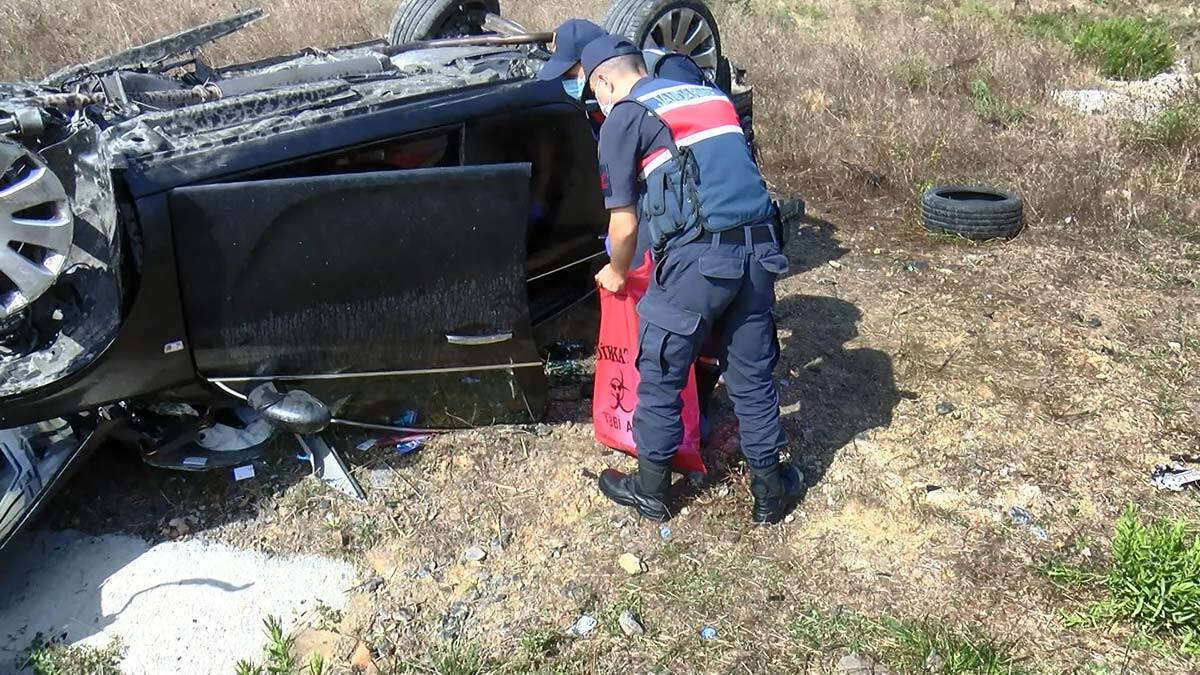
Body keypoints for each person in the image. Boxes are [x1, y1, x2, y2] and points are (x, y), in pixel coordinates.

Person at [582, 35, 803, 524]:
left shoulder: (626, 114)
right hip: (762, 250)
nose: (597, 105)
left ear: (604, 80)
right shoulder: (710, 95)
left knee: (661, 367)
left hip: (700, 260)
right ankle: (770, 491)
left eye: (592, 93)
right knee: (751, 373)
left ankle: (651, 490)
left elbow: (623, 224)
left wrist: (617, 271)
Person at [535, 19, 709, 100]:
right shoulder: (601, 99)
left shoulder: (667, 69)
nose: (569, 81)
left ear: (593, 59)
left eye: (570, 73)